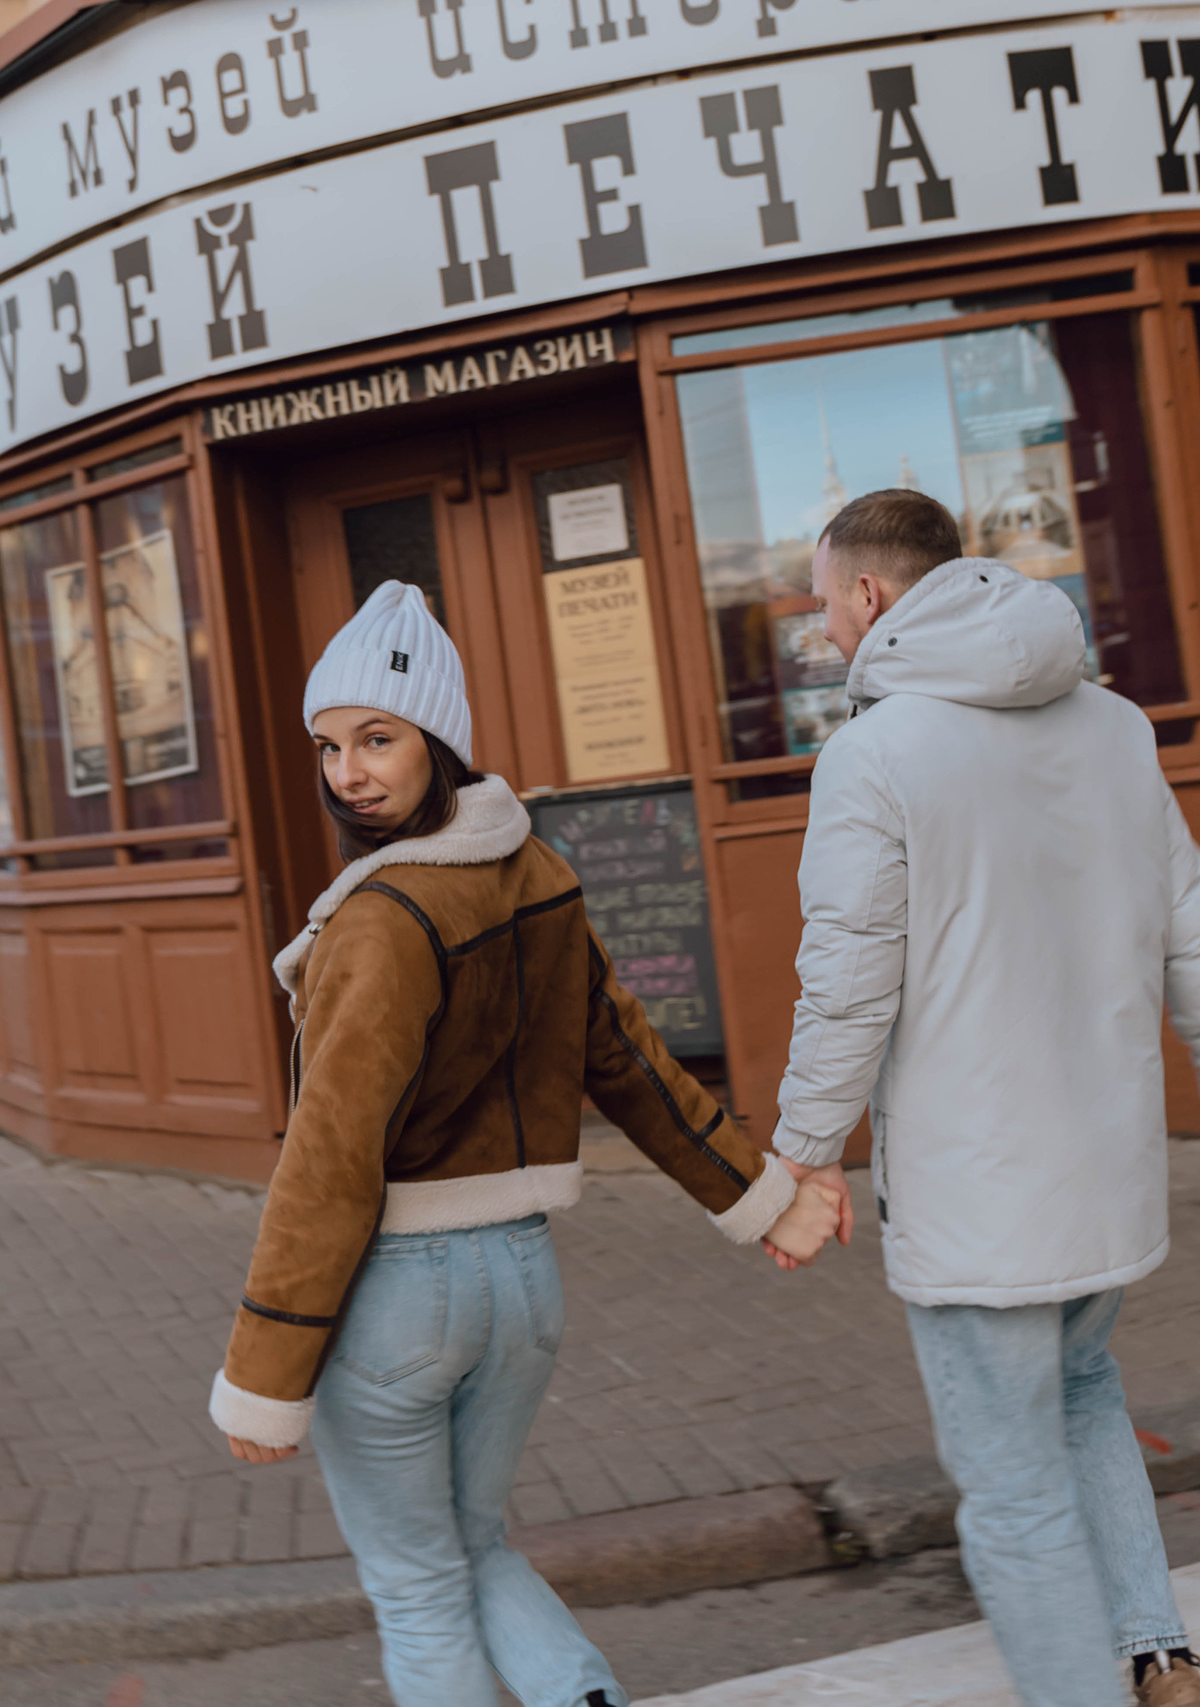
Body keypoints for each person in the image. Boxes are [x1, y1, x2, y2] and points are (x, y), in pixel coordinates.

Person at [208, 580, 846, 1707]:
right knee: (474, 1543)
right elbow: (629, 1060)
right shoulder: (535, 874)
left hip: (399, 1298)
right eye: (327, 745)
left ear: (437, 740)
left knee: (413, 1585)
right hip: (520, 1289)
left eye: (376, 738)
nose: (348, 770)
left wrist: (263, 1373)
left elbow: (329, 1158)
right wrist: (759, 1196)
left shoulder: (380, 919)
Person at [771, 491, 1200, 1707]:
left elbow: (849, 982)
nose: (823, 629)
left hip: (974, 1190)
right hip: (1102, 1163)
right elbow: (1191, 916)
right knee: (1083, 1388)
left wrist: (803, 1152)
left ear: (870, 596)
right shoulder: (1111, 725)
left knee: (1009, 1493)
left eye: (823, 601)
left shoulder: (872, 755)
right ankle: (1153, 1648)